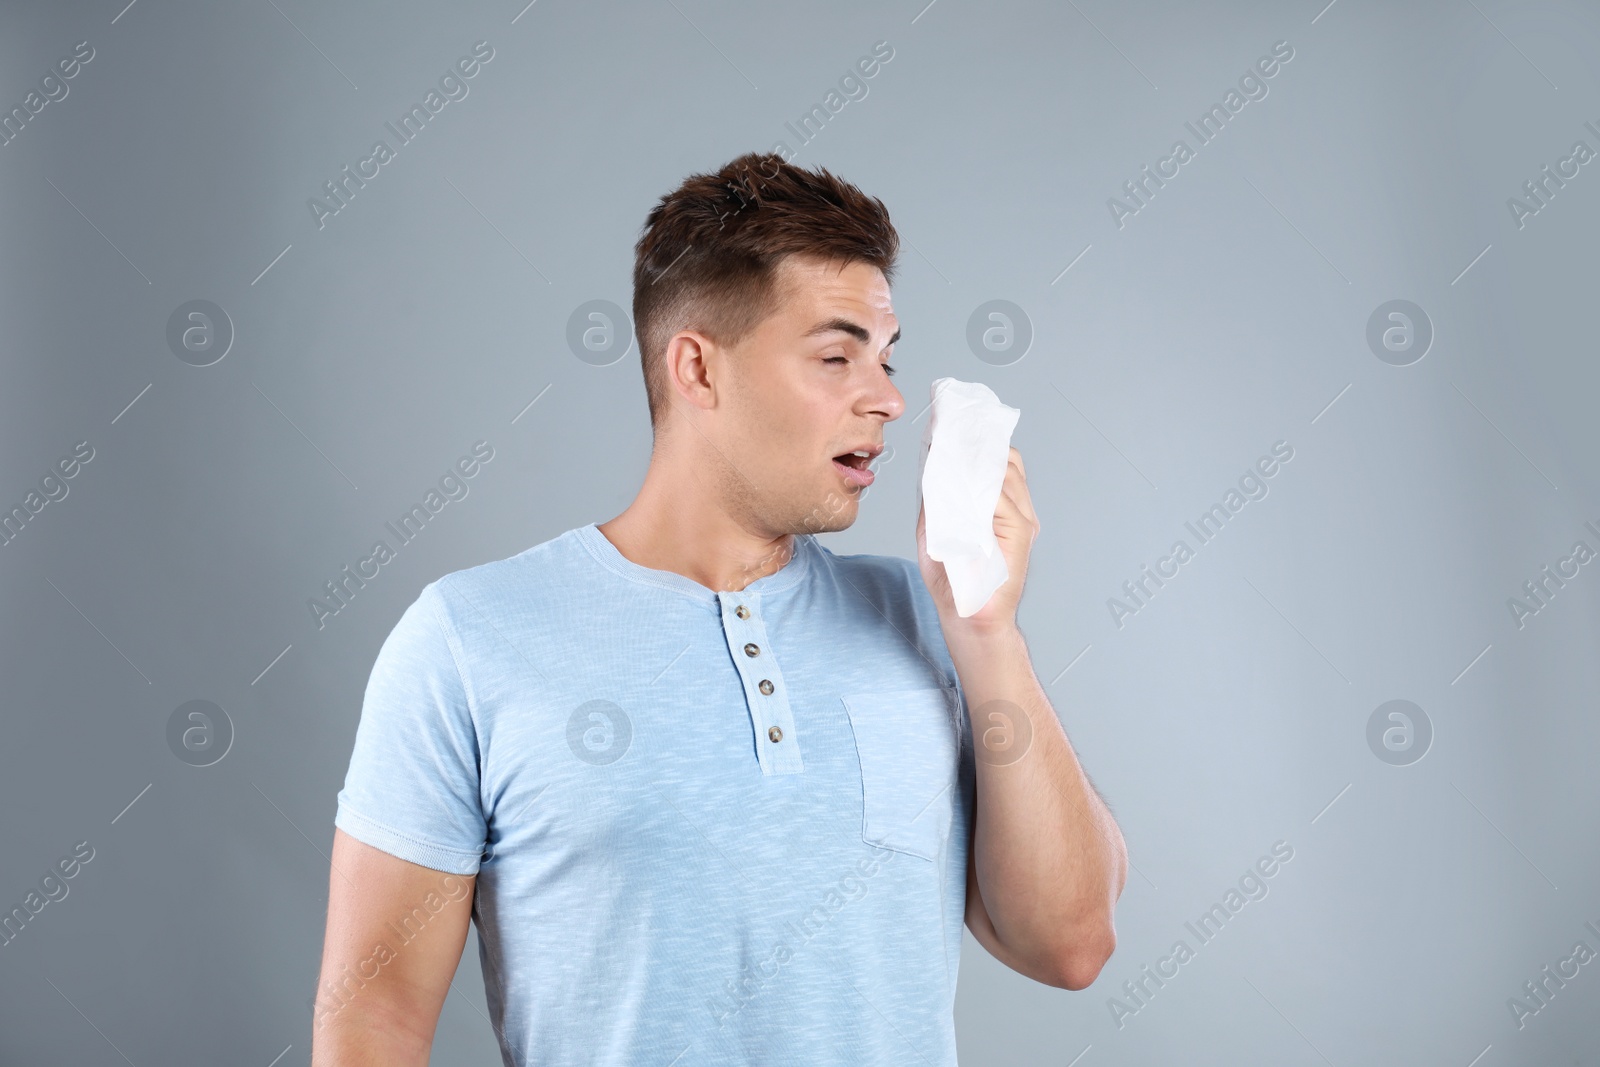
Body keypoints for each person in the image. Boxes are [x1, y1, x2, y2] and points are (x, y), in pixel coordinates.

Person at [310, 151, 1127, 1066]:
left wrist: (988, 632)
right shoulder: (468, 639)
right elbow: (372, 1019)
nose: (890, 398)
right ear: (698, 369)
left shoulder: (922, 617)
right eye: (836, 355)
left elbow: (1072, 943)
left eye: (887, 358)